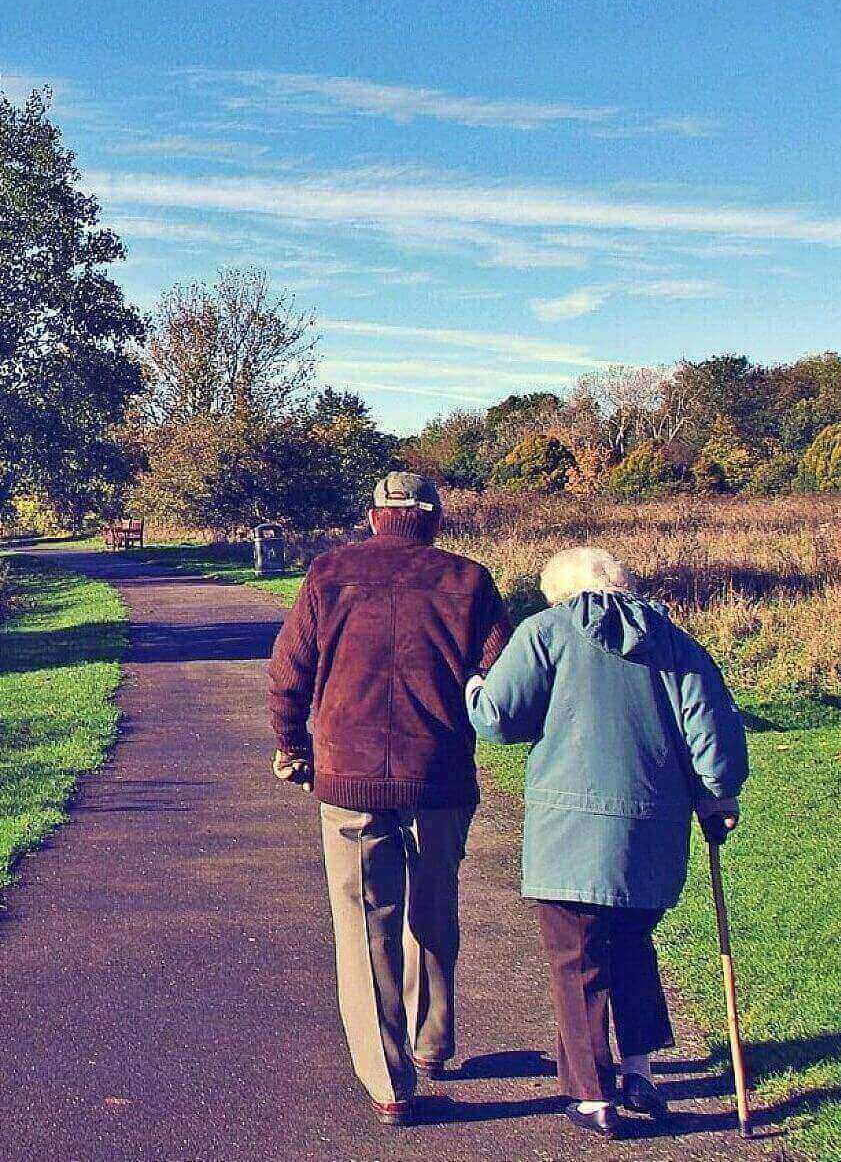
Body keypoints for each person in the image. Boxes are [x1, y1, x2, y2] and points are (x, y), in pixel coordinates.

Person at [466, 547, 747, 1140]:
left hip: (568, 833)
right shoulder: (676, 643)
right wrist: (718, 798)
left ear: (561, 594)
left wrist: (472, 684)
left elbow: (497, 718)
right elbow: (712, 735)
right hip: (652, 832)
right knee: (632, 945)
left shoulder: (546, 633)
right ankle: (640, 1071)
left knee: (577, 959)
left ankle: (593, 1095)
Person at [267, 472, 513, 1126]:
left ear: (374, 516)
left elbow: (287, 670)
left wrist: (293, 746)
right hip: (439, 775)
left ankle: (388, 1081)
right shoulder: (469, 580)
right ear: (434, 517)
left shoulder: (329, 572)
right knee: (434, 907)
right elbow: (501, 678)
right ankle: (432, 1040)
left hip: (348, 775)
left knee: (363, 924)